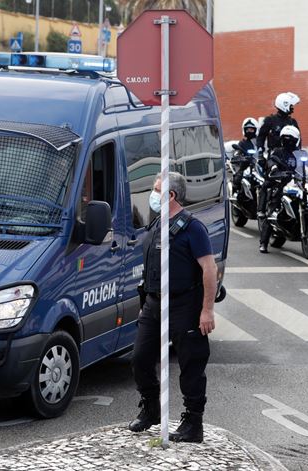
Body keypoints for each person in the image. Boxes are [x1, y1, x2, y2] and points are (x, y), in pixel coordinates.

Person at [128, 172, 218, 443]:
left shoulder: (193, 228)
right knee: (140, 358)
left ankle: (193, 423)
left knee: (191, 365)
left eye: (156, 190)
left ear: (171, 195)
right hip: (155, 303)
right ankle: (151, 409)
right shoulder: (156, 224)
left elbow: (209, 269)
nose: (152, 196)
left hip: (184, 304)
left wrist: (207, 310)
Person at [258, 125, 300, 254]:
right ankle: (263, 243)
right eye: (286, 139)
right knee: (272, 209)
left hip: (297, 185)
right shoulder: (277, 151)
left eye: (290, 139)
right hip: (281, 183)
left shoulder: (299, 154)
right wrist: (274, 168)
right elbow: (271, 161)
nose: (288, 142)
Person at [256, 91, 300, 171]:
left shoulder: (293, 122)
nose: (292, 108)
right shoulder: (270, 120)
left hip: (290, 155)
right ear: (284, 104)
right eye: (291, 106)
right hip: (274, 156)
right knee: (272, 174)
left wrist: (299, 152)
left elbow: (299, 139)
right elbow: (261, 137)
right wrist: (260, 154)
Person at [232, 117, 259, 191]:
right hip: (246, 166)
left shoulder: (260, 142)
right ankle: (237, 194)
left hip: (259, 166)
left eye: (251, 129)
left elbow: (266, 151)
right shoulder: (242, 143)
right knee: (240, 175)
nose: (249, 131)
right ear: (244, 130)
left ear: (256, 130)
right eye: (247, 129)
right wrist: (240, 157)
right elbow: (237, 152)